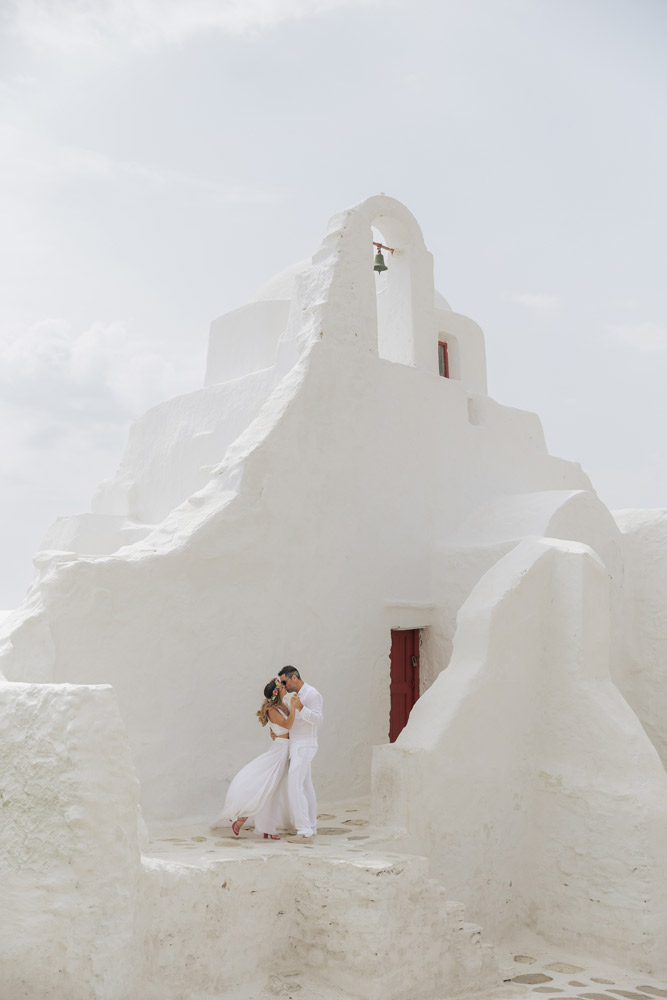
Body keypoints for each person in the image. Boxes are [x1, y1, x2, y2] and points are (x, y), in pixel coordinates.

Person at [211, 677, 296, 839]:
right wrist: (296, 708)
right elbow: (288, 726)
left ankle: (266, 828)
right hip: (279, 751)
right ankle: (244, 818)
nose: (285, 687)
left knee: (274, 791)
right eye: (282, 686)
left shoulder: (283, 705)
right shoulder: (273, 710)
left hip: (285, 749)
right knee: (267, 788)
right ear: (277, 692)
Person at [279, 666, 323, 840]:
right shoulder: (295, 697)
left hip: (305, 745)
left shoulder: (312, 694)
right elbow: (294, 722)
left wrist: (302, 708)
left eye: (285, 681)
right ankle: (311, 825)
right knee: (305, 786)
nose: (284, 685)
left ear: (294, 678)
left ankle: (304, 829)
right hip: (297, 744)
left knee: (294, 786)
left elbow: (319, 720)